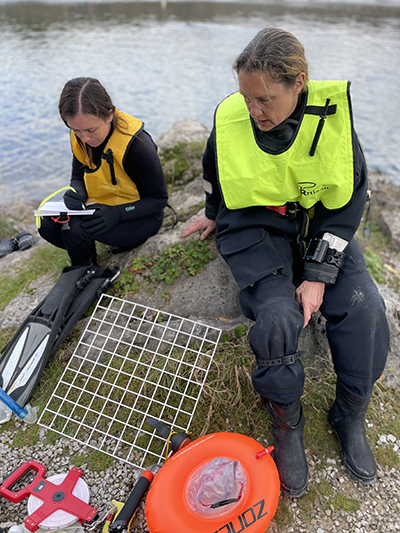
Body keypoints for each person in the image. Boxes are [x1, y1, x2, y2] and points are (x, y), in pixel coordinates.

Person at [183, 27, 389, 498]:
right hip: (254, 227)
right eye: (246, 97)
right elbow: (215, 168)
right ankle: (286, 424)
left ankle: (350, 412)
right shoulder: (235, 116)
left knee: (364, 308)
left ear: (298, 83)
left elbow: (350, 199)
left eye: (264, 100)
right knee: (277, 317)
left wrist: (318, 274)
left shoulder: (332, 120)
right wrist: (213, 212)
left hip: (319, 223)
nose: (253, 112)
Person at [38, 77, 168, 265]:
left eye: (91, 130)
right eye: (76, 131)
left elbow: (159, 201)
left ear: (109, 114)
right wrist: (77, 191)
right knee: (48, 225)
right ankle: (85, 261)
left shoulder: (138, 146)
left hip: (138, 216)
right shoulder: (82, 131)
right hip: (100, 206)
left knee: (76, 228)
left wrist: (117, 214)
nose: (85, 138)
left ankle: (86, 270)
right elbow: (77, 176)